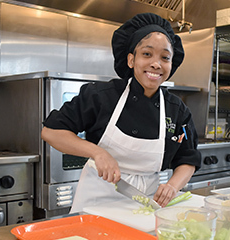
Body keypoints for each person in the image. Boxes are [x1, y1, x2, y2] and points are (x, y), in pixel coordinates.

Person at [41, 13, 200, 213]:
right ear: (131, 60)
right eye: (147, 54)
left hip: (146, 204)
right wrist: (97, 153)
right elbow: (51, 131)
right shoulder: (102, 96)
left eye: (165, 57)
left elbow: (188, 159)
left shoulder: (177, 109)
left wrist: (172, 186)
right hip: (97, 202)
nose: (156, 64)